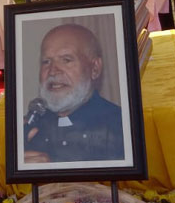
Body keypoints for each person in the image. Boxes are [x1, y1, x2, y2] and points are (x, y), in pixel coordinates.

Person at [23, 24, 123, 163]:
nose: (53, 71)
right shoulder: (30, 126)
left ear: (94, 68)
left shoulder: (120, 126)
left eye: (66, 60)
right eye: (46, 62)